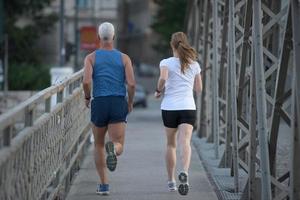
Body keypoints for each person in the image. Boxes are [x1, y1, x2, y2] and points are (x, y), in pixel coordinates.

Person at [83, 22, 135, 195]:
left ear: (98, 37)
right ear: (113, 37)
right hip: (117, 102)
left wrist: (87, 97)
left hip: (99, 103)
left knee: (98, 145)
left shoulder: (91, 58)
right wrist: (130, 102)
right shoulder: (124, 58)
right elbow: (132, 84)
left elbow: (86, 81)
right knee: (118, 143)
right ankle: (113, 148)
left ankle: (104, 186)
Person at [154, 32, 202, 195]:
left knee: (171, 144)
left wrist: (158, 90)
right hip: (188, 107)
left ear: (171, 45)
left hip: (169, 108)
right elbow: (199, 89)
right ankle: (185, 173)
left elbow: (162, 79)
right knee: (185, 142)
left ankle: (171, 182)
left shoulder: (166, 63)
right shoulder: (194, 64)